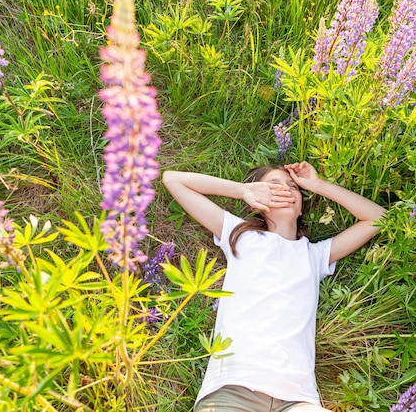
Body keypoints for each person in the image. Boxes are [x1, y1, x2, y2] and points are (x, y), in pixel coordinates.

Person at [162, 161, 385, 412]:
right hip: (234, 387)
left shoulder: (314, 256)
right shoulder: (241, 236)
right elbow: (173, 179)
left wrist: (317, 185)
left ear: (301, 207)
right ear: (257, 201)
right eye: (273, 186)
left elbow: (378, 218)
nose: (286, 190)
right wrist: (242, 190)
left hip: (297, 399)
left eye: (293, 187)